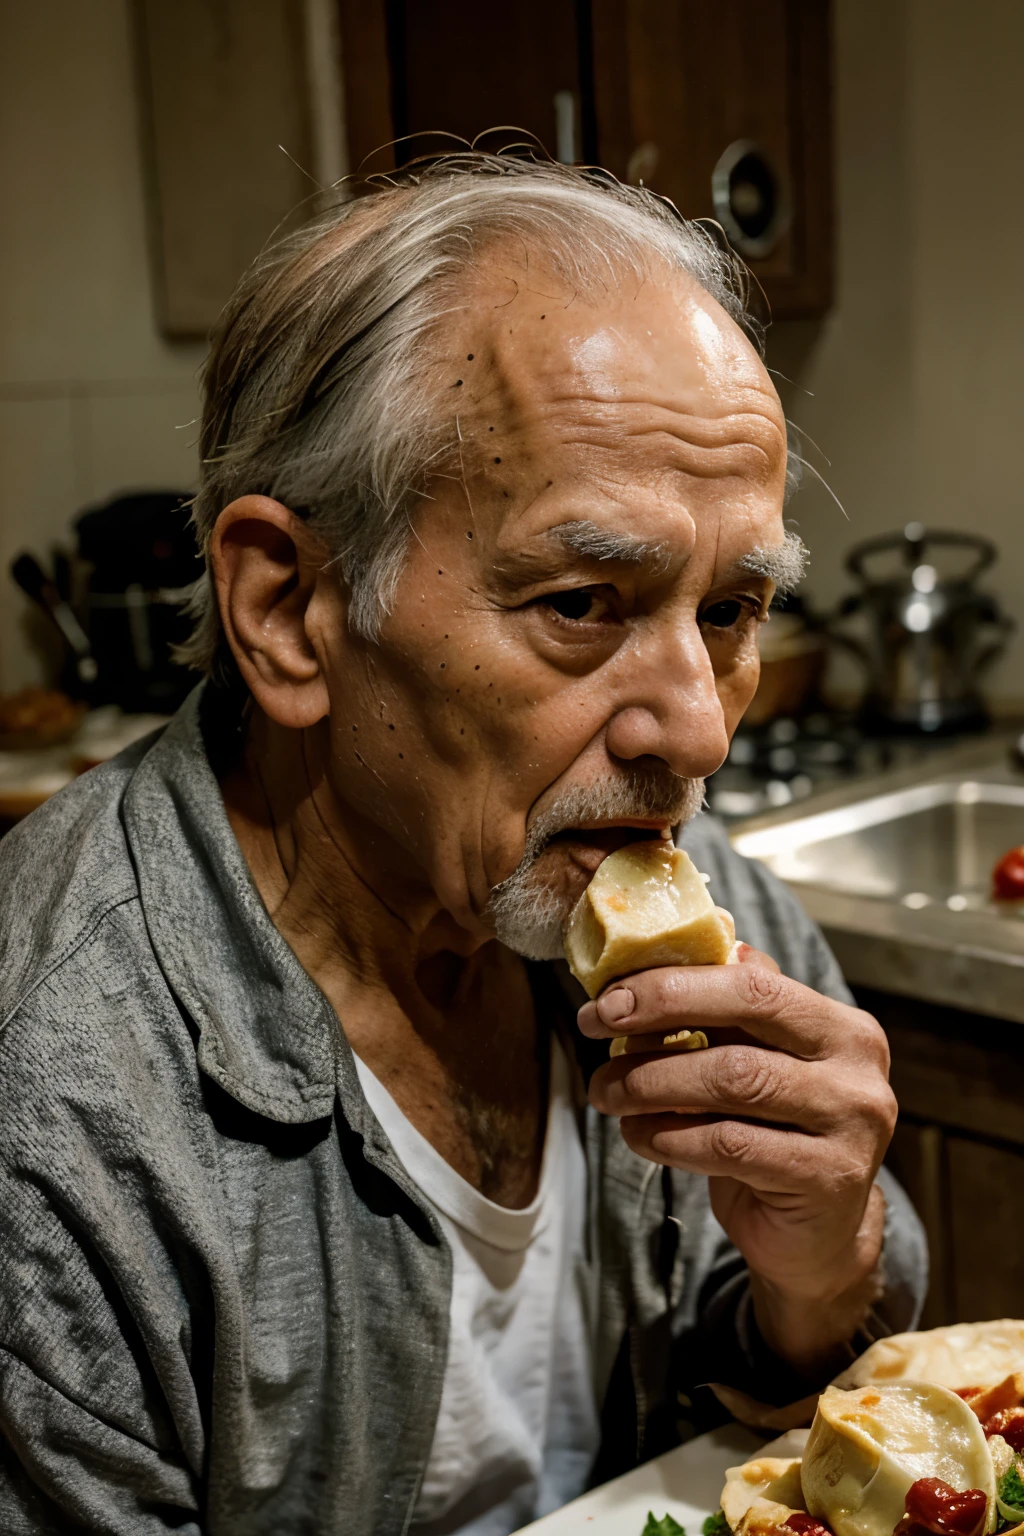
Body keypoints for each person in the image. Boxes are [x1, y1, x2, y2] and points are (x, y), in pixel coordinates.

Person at [0, 156, 925, 1536]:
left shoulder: (680, 876)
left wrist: (820, 1264)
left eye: (731, 612)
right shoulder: (56, 1108)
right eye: (580, 600)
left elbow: (813, 1397)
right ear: (290, 609)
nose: (695, 731)